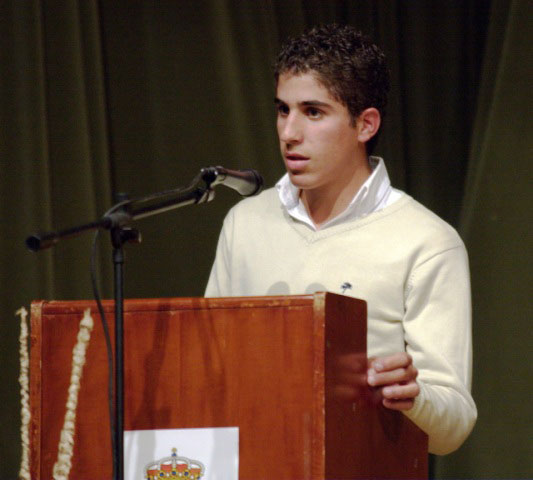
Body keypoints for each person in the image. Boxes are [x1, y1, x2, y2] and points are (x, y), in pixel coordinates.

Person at [205, 24, 476, 455]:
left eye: (313, 112)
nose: (289, 132)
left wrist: (416, 397)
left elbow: (453, 426)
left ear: (365, 125)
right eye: (282, 109)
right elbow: (209, 373)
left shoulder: (427, 241)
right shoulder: (245, 223)